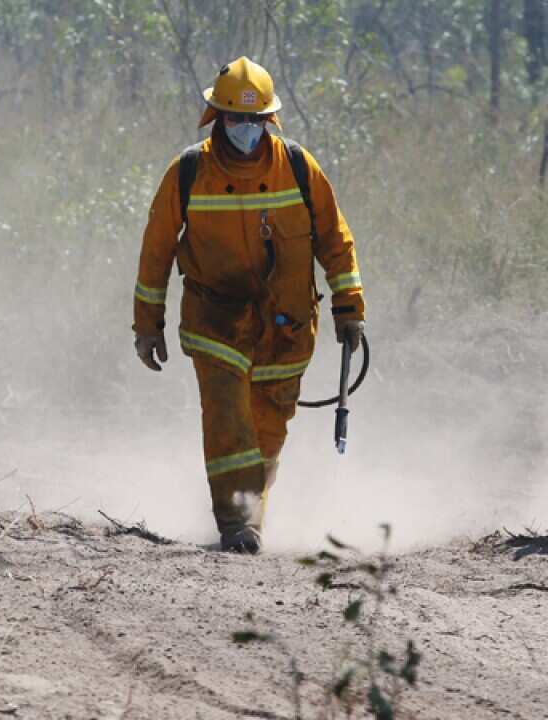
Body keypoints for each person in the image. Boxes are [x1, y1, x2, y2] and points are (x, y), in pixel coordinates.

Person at [131, 57, 366, 554]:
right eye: (235, 119)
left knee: (266, 424)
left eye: (254, 120)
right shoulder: (189, 172)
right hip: (213, 317)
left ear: (270, 120)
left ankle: (252, 506)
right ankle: (236, 521)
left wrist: (350, 307)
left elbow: (335, 240)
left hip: (286, 323)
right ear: (216, 117)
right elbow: (156, 250)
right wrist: (146, 325)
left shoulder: (299, 168)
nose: (245, 129)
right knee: (224, 411)